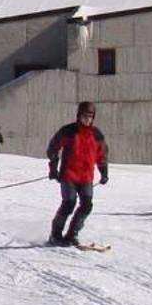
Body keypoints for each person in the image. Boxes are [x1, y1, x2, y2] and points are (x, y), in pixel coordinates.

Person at [45, 101, 108, 245]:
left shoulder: (96, 135)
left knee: (87, 205)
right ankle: (55, 235)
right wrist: (53, 168)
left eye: (90, 116)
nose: (87, 119)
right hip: (69, 175)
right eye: (85, 116)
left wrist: (104, 172)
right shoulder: (69, 131)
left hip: (86, 177)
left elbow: (102, 155)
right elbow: (53, 148)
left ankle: (72, 234)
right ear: (79, 115)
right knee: (69, 203)